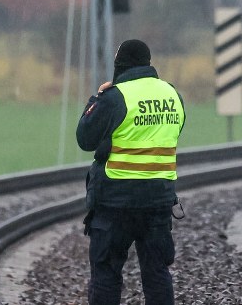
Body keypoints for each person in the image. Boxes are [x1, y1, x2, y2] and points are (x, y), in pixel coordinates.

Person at [76, 39, 185, 305]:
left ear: (120, 64)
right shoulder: (172, 95)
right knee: (157, 273)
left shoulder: (115, 97)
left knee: (106, 273)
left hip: (116, 203)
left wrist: (97, 98)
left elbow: (85, 138)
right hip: (158, 202)